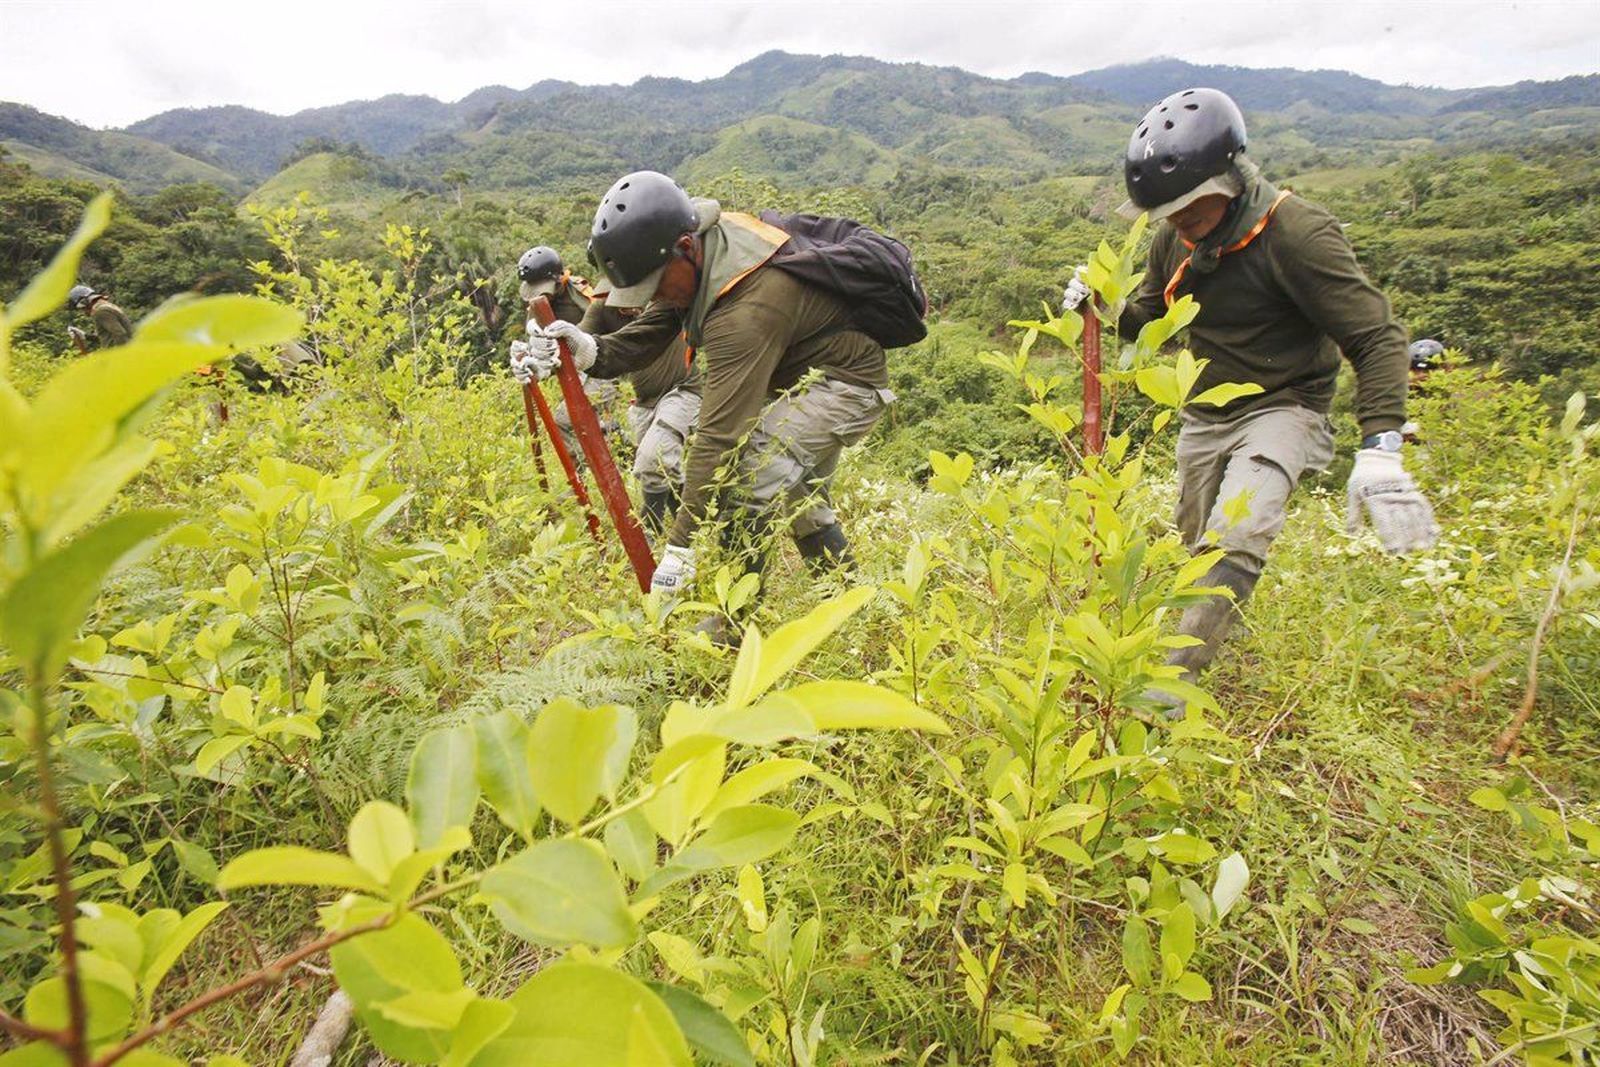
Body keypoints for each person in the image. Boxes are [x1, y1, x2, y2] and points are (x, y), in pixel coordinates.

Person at [1063, 87, 1438, 707]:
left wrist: (1381, 447)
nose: (1180, 224)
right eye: (1169, 216)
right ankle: (1205, 628)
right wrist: (1101, 307)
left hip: (1284, 405)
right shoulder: (1176, 240)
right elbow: (1155, 322)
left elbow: (1375, 337)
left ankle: (1158, 701)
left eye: (1191, 210)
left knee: (1234, 538)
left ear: (1231, 178)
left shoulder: (1298, 234)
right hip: (1204, 410)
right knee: (1197, 552)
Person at [525, 171, 894, 612]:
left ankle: (731, 625)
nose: (651, 297)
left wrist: (680, 549)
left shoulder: (745, 309)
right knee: (802, 499)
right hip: (796, 379)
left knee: (746, 478)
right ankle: (855, 610)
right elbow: (657, 324)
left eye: (654, 284)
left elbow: (719, 436)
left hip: (844, 384)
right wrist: (587, 349)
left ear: (684, 249)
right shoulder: (701, 247)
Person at [510, 245, 702, 535]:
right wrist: (539, 360)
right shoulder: (603, 305)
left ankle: (652, 532)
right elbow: (581, 342)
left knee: (652, 461)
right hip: (644, 401)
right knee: (664, 473)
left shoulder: (664, 295)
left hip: (682, 389)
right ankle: (694, 530)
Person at [511, 246, 623, 456]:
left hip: (598, 363)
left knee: (567, 420)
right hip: (573, 372)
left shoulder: (581, 294)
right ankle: (607, 462)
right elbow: (537, 345)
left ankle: (589, 470)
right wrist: (527, 355)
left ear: (559, 279)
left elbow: (610, 325)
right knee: (602, 428)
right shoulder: (537, 307)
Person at [66, 284, 132, 349]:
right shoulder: (105, 306)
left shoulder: (100, 311)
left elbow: (120, 334)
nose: (82, 311)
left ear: (84, 302)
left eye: (81, 308)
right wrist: (85, 336)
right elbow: (107, 337)